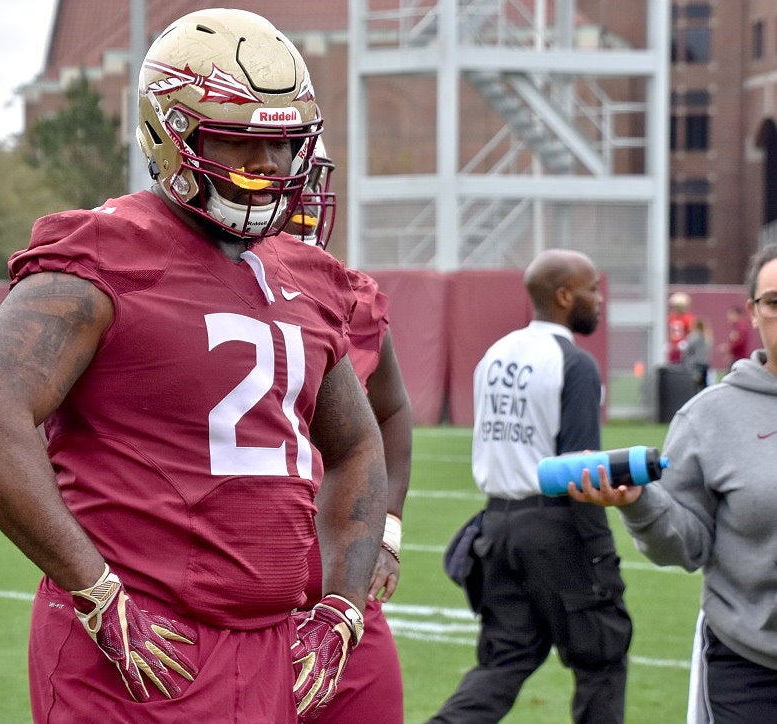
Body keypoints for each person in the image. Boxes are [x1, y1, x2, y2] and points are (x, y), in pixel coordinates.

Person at [0, 9, 387, 724]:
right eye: (241, 145)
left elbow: (359, 443)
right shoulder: (102, 254)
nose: (270, 169)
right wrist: (95, 591)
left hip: (270, 645)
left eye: (282, 147)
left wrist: (340, 605)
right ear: (172, 133)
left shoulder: (306, 275)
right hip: (142, 641)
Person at [568, 242, 777, 723]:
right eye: (773, 301)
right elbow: (683, 546)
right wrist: (639, 503)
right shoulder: (710, 417)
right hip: (751, 668)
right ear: (753, 312)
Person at [427, 249, 632, 724]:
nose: (599, 300)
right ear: (564, 296)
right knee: (601, 657)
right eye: (591, 289)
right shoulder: (573, 363)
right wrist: (601, 552)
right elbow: (582, 471)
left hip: (496, 525)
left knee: (504, 660)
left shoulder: (495, 354)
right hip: (555, 524)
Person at [285, 143, 412, 723]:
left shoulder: (349, 299)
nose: (305, 197)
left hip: (338, 579)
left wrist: (386, 531)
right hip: (220, 587)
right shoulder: (168, 287)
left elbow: (389, 413)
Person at [680, 316, 713, 391]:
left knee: (694, 386)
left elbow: (687, 349)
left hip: (695, 364)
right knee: (704, 386)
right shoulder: (707, 336)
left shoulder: (694, 336)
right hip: (705, 363)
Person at [719, 305, 752, 370]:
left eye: (730, 314)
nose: (728, 317)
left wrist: (728, 348)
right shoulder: (737, 327)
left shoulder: (741, 327)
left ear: (736, 315)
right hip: (737, 358)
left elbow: (739, 342)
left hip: (739, 359)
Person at [668, 291, 695, 364]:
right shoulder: (671, 317)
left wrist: (685, 343)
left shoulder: (688, 318)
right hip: (673, 347)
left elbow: (691, 333)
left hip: (683, 347)